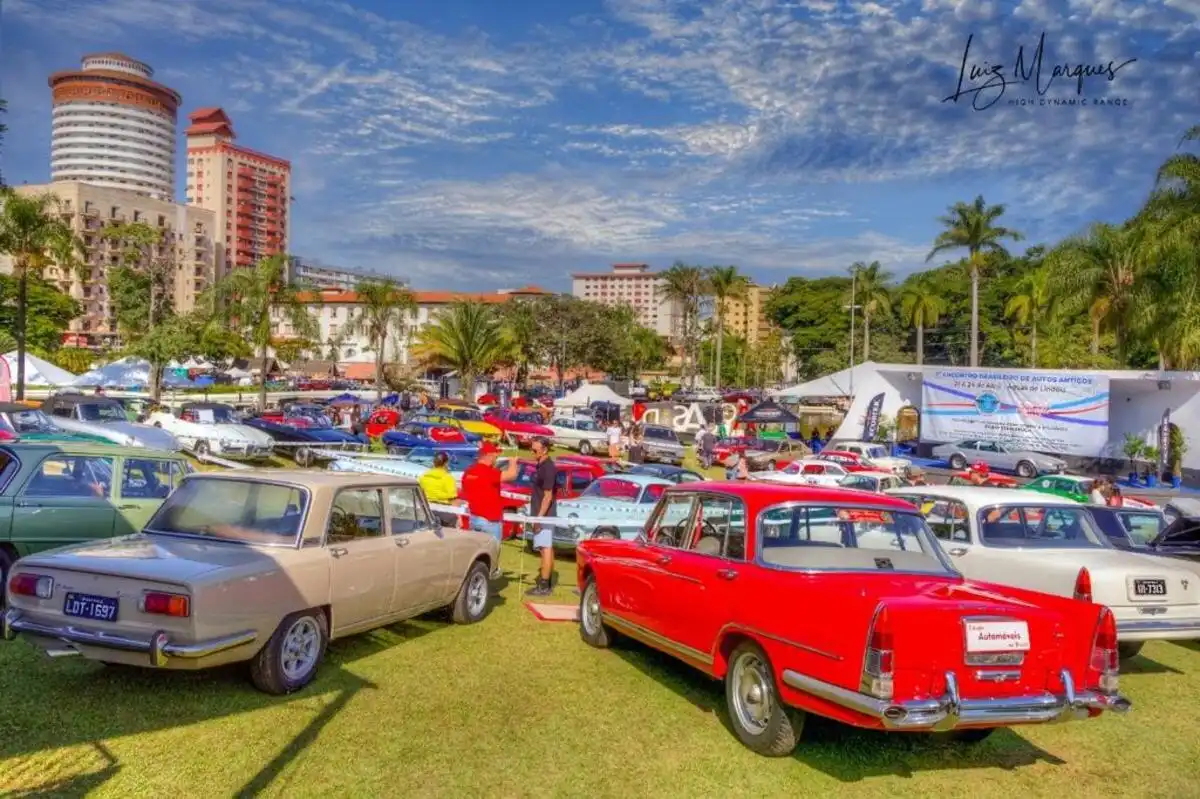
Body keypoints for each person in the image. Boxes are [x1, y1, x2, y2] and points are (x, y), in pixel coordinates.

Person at [460, 441, 520, 542]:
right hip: (490, 522)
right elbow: (512, 475)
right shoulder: (490, 472)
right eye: (495, 456)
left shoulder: (468, 472)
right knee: (492, 552)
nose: (496, 460)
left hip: (474, 518)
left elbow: (464, 490)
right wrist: (513, 462)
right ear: (489, 456)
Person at [526, 437, 558, 596]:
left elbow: (548, 497)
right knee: (546, 549)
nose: (532, 453)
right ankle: (547, 581)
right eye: (531, 449)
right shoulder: (541, 465)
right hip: (540, 514)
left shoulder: (548, 468)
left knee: (545, 549)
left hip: (545, 515)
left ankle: (544, 586)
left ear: (544, 450)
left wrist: (538, 518)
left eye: (535, 450)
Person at [420, 452, 461, 526]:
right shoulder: (448, 478)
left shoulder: (424, 477)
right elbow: (453, 500)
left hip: (427, 510)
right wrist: (459, 517)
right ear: (446, 463)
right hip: (445, 513)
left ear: (434, 462)